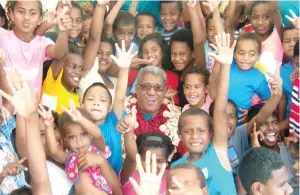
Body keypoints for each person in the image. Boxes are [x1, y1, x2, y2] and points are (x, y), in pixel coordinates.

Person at [172, 33, 237, 194]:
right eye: (188, 131)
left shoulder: (218, 151)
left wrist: (225, 66)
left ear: (211, 133)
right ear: (180, 135)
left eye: (201, 131)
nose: (195, 136)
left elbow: (220, 107)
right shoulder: (177, 167)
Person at [0, 0, 69, 114]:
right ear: (11, 15)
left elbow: (58, 53)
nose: (26, 17)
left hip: (30, 114)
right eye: (21, 12)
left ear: (40, 18)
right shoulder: (3, 36)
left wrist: (63, 31)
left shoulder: (42, 43)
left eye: (32, 13)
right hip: (5, 112)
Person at [81, 41, 137, 174]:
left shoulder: (113, 121)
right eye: (90, 99)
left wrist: (124, 68)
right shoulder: (80, 126)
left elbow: (119, 98)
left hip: (112, 181)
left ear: (109, 107)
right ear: (81, 106)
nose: (96, 103)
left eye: (102, 100)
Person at [125, 65, 183, 155]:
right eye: (146, 86)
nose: (151, 92)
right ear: (137, 89)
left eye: (158, 87)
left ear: (164, 91)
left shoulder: (177, 118)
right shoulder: (122, 112)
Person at [117, 106, 175, 195]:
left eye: (159, 161)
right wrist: (129, 131)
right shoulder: (130, 174)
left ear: (167, 161)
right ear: (139, 159)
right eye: (148, 160)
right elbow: (131, 157)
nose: (153, 165)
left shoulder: (171, 178)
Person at [279, 41, 299, 133]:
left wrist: (278, 127)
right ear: (294, 61)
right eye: (298, 65)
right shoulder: (294, 80)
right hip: (293, 129)